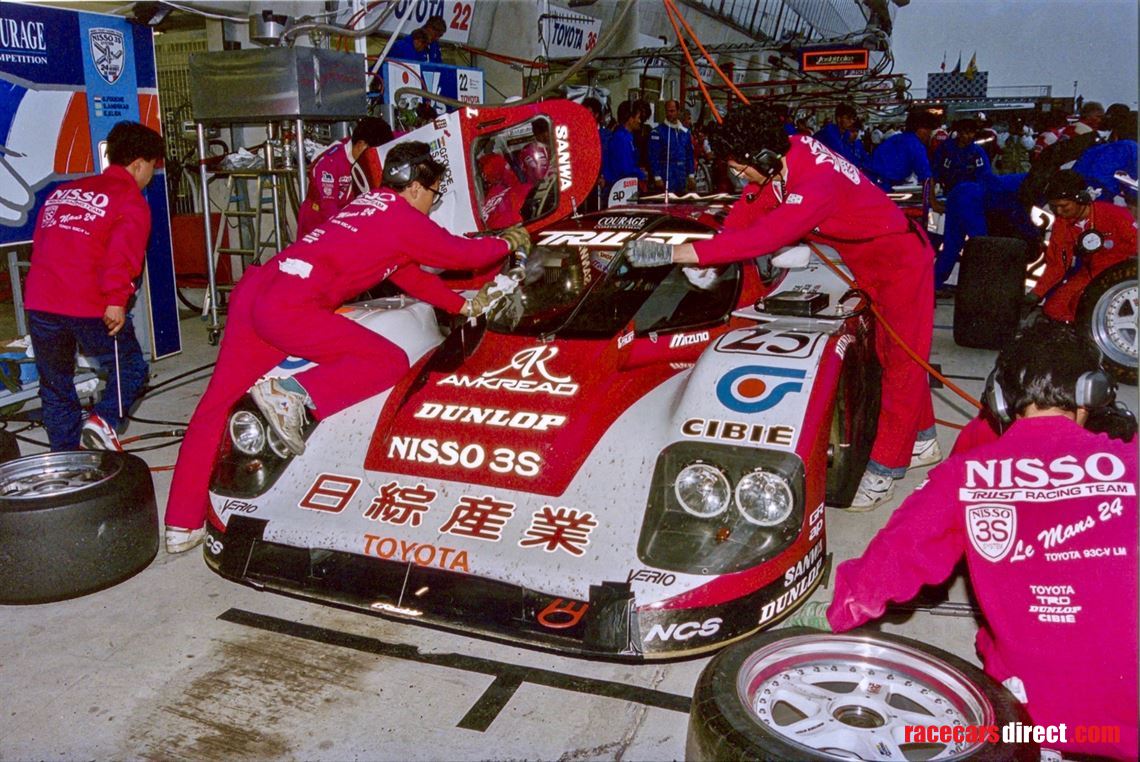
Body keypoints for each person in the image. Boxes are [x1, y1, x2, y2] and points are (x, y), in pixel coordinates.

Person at [163, 142, 530, 553]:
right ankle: (291, 393)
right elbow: (460, 252)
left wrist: (462, 304)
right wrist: (509, 242)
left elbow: (407, 274)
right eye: (433, 192)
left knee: (215, 406)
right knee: (388, 360)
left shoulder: (367, 204)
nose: (432, 201)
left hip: (258, 291)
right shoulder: (401, 215)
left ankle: (180, 523)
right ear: (415, 187)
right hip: (292, 304)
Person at [827, 321, 1138, 761]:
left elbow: (887, 568)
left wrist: (833, 615)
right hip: (1130, 724)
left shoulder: (963, 475)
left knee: (994, 650)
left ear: (998, 398)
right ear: (1093, 395)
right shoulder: (1133, 461)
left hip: (1036, 722)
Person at [623, 104, 939, 510]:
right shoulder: (787, 155)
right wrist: (712, 256)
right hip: (872, 268)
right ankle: (924, 439)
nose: (737, 176)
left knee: (903, 366)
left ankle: (886, 469)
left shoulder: (816, 182)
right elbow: (751, 209)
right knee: (889, 353)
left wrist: (679, 254)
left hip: (902, 266)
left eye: (739, 167)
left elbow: (766, 237)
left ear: (763, 158)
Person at [26, 121, 163, 451]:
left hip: (41, 301)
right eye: (152, 168)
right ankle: (102, 423)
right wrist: (117, 299)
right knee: (130, 368)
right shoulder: (130, 200)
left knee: (56, 386)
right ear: (138, 164)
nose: (150, 177)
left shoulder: (63, 192)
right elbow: (122, 254)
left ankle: (68, 461)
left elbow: (42, 242)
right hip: (91, 304)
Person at [1026, 169, 1137, 322]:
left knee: (1084, 306)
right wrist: (1035, 295)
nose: (1058, 211)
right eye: (1054, 207)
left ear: (1081, 199)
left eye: (1064, 206)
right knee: (1053, 309)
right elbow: (1058, 265)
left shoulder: (1116, 215)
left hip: (1123, 272)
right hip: (1090, 273)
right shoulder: (1062, 224)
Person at [296, 117, 393, 238]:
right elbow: (328, 208)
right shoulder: (330, 163)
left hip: (346, 221)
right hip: (318, 225)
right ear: (360, 145)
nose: (374, 158)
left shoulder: (359, 151)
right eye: (372, 153)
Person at [867, 108, 939, 190]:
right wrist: (933, 201)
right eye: (929, 131)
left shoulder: (894, 138)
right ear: (921, 129)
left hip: (869, 181)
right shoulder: (916, 145)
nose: (929, 135)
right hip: (884, 185)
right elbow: (926, 177)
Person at [648, 100, 695, 196]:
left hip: (681, 175)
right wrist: (657, 176)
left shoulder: (685, 132)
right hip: (666, 174)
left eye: (672, 111)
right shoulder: (657, 132)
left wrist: (691, 175)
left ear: (678, 111)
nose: (670, 114)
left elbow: (689, 155)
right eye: (668, 111)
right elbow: (653, 156)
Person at [932, 118, 991, 193]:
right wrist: (936, 182)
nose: (969, 136)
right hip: (949, 190)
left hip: (971, 191)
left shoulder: (977, 151)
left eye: (972, 133)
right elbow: (936, 166)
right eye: (966, 133)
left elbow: (985, 173)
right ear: (959, 133)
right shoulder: (945, 147)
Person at [602, 99, 648, 196]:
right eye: (638, 117)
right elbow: (625, 168)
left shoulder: (627, 137)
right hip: (617, 189)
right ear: (630, 118)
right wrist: (641, 173)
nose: (640, 121)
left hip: (623, 188)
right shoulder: (621, 138)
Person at [813, 103, 869, 171]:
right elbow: (844, 156)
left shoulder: (845, 134)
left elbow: (851, 156)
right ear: (838, 118)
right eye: (848, 118)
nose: (852, 121)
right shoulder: (830, 132)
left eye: (853, 119)